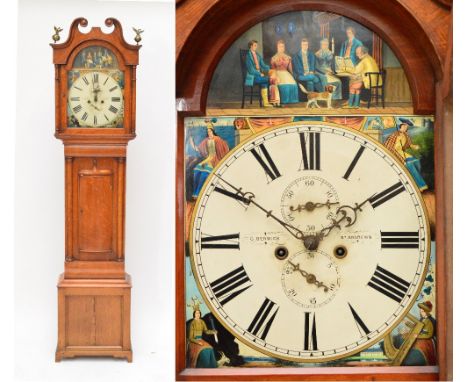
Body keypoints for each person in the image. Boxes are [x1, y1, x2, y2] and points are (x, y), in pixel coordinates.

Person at [384, 118, 428, 191]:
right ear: (401, 126)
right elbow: (388, 148)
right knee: (409, 165)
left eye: (407, 127)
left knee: (416, 161)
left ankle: (416, 183)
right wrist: (402, 159)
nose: (405, 128)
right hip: (394, 155)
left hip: (404, 154)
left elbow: (410, 144)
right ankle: (419, 186)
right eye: (404, 126)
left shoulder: (406, 135)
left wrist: (415, 146)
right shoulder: (394, 135)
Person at [190, 121, 230, 198]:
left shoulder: (217, 139)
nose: (209, 133)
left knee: (204, 174)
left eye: (210, 131)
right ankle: (195, 192)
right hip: (208, 159)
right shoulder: (206, 140)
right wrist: (191, 140)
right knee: (196, 170)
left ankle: (200, 193)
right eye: (207, 131)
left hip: (215, 160)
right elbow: (198, 149)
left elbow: (225, 148)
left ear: (213, 131)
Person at [245, 40, 274, 107]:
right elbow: (251, 70)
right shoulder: (248, 56)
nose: (256, 47)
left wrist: (269, 69)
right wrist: (259, 74)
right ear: (251, 46)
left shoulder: (257, 55)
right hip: (253, 77)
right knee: (268, 79)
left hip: (260, 74)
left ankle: (266, 103)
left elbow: (263, 65)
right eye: (255, 45)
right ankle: (267, 102)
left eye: (256, 45)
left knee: (268, 79)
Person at [270, 40, 299, 105]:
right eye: (280, 47)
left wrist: (293, 76)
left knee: (293, 83)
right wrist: (275, 76)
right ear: (277, 47)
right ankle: (283, 101)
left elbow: (290, 69)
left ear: (284, 48)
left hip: (286, 73)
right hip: (277, 73)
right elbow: (273, 69)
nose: (281, 48)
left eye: (282, 46)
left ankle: (291, 101)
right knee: (283, 85)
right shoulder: (274, 58)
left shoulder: (288, 57)